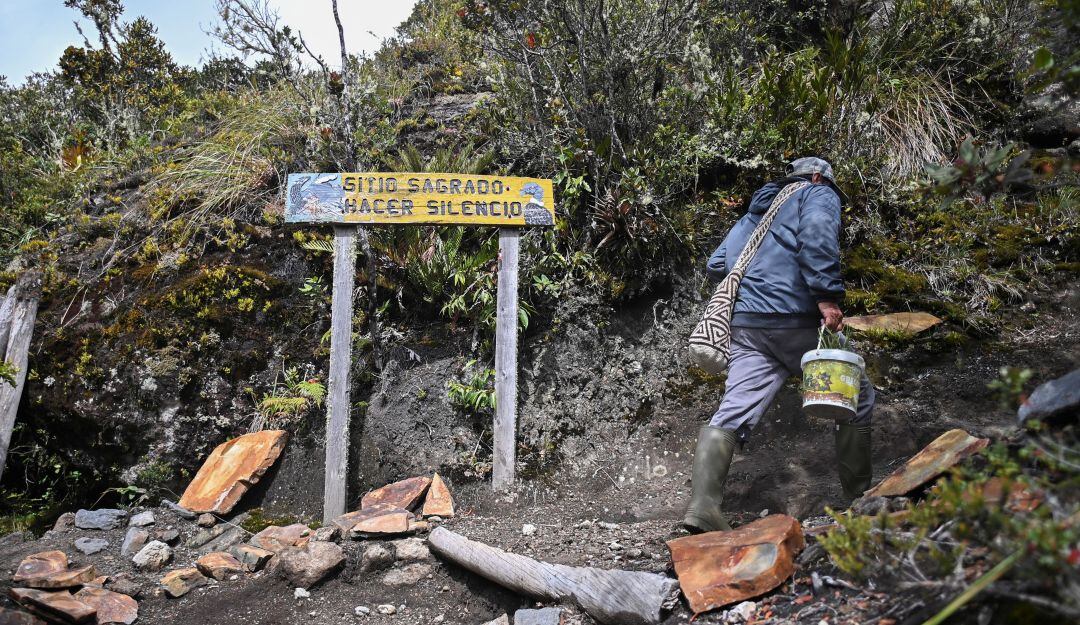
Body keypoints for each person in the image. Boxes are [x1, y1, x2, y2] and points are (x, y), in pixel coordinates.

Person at [683, 157, 876, 533]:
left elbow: (717, 263)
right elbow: (818, 235)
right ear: (819, 177)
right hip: (795, 319)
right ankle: (862, 499)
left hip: (748, 325)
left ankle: (703, 507)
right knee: (858, 397)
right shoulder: (816, 193)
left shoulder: (758, 210)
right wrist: (826, 297)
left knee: (734, 410)